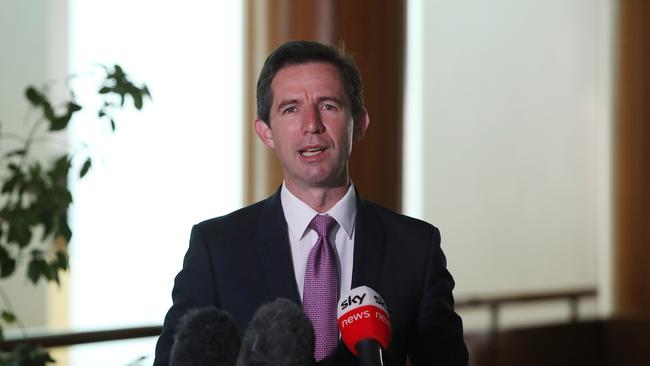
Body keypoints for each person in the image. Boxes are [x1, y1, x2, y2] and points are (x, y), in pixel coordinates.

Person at [154, 40, 468, 366]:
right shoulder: (217, 247)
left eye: (329, 106)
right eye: (291, 109)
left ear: (358, 123)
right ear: (265, 132)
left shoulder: (417, 247)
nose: (312, 125)